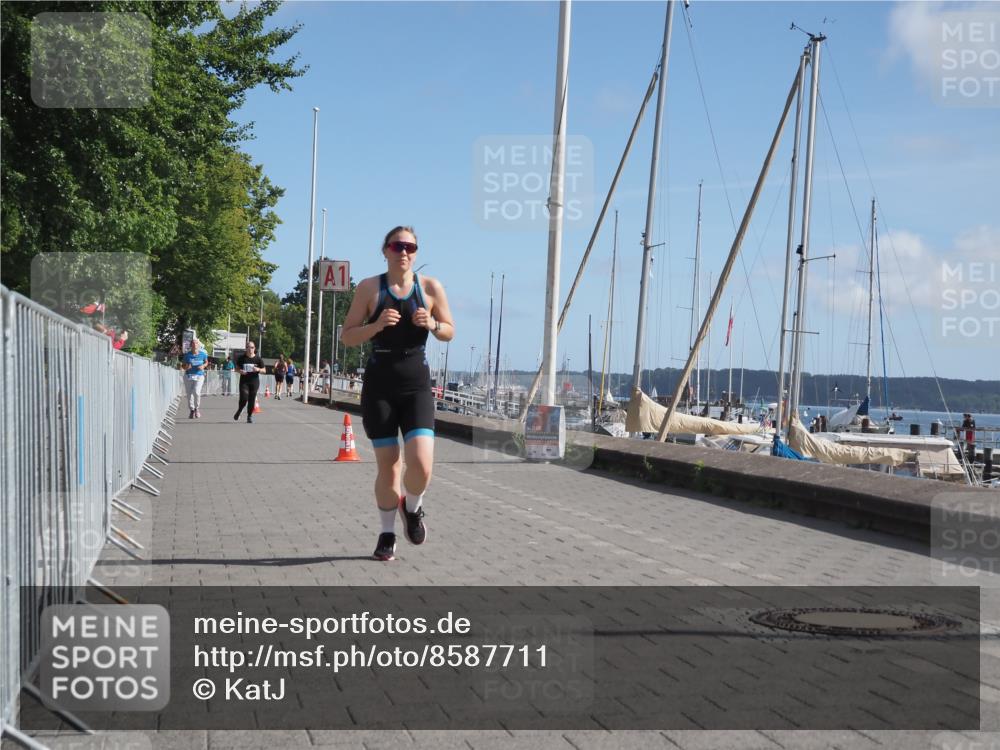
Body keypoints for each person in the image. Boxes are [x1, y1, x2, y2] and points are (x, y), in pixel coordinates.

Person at [341, 226, 454, 561]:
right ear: (385, 250)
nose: (403, 252)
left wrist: (432, 325)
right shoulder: (368, 288)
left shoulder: (430, 287)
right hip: (380, 384)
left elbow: (449, 330)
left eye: (410, 247)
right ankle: (387, 532)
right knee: (389, 467)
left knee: (421, 464)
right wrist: (375, 326)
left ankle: (413, 507)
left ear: (416, 252)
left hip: (416, 383)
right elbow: (347, 336)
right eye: (397, 246)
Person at [234, 342, 265, 423]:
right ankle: (240, 410)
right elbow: (236, 369)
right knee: (244, 398)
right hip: (244, 381)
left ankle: (249, 416)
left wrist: (258, 369)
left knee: (252, 399)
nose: (250, 349)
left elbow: (264, 370)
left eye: (252, 347)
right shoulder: (242, 358)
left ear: (254, 348)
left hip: (254, 381)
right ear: (246, 348)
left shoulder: (258, 359)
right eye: (248, 347)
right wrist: (240, 371)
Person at [181, 338, 208, 418]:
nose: (194, 345)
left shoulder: (203, 354)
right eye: (193, 343)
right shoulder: (187, 355)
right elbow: (183, 365)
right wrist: (186, 366)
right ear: (191, 345)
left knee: (196, 392)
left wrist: (203, 366)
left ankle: (197, 408)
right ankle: (192, 410)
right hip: (188, 376)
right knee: (189, 394)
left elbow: (206, 362)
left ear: (198, 345)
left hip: (199, 375)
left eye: (196, 343)